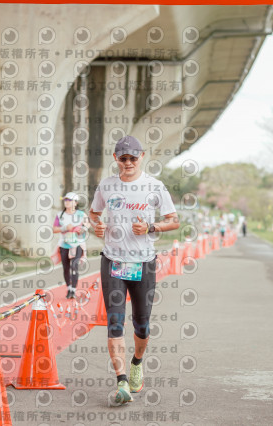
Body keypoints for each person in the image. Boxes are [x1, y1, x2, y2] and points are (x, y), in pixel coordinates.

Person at [89, 135, 180, 405]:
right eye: (123, 158)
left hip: (143, 263)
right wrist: (97, 227)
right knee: (115, 322)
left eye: (133, 157)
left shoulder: (155, 186)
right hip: (113, 261)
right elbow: (93, 214)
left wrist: (151, 227)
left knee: (142, 324)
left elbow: (174, 220)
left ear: (142, 157)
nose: (128, 162)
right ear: (116, 158)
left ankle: (137, 362)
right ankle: (121, 382)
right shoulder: (107, 185)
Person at [52, 192, 91, 299]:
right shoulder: (60, 215)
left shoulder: (81, 214)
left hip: (77, 244)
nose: (67, 202)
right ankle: (68, 288)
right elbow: (54, 229)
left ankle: (73, 290)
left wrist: (83, 229)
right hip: (64, 245)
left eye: (69, 200)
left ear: (75, 202)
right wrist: (64, 228)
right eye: (65, 200)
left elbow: (88, 224)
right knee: (66, 268)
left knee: (74, 266)